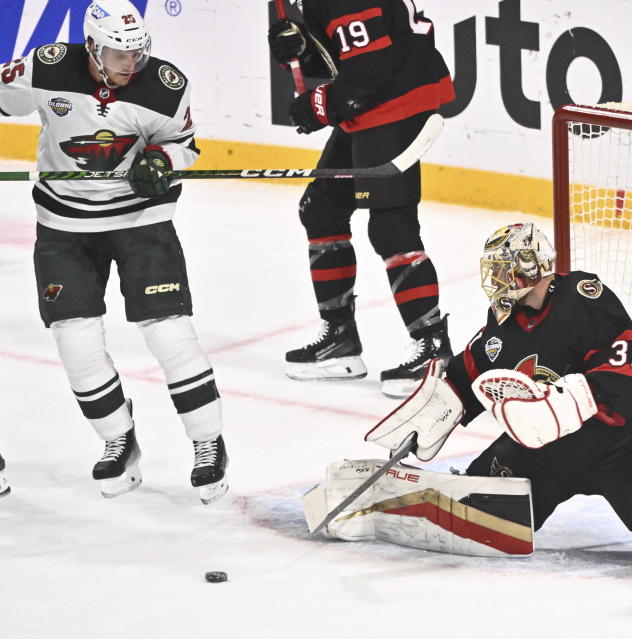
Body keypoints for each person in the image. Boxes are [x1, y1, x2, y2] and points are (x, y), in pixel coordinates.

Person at [0, 0, 228, 503]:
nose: (130, 64)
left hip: (140, 219)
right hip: (63, 221)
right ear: (91, 48)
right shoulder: (45, 65)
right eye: (117, 54)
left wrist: (161, 159)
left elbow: (185, 144)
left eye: (136, 53)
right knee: (75, 340)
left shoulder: (165, 84)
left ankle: (209, 442)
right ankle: (118, 442)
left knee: (168, 334)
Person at [368, 222, 632, 538]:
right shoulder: (503, 324)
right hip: (548, 450)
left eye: (500, 269)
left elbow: (630, 372)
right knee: (475, 508)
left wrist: (570, 401)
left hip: (626, 439)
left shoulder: (583, 298)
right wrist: (432, 412)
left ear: (528, 267)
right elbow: (468, 371)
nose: (493, 279)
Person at [267, 0, 456, 398]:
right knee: (321, 209)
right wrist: (301, 51)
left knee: (391, 225)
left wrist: (318, 106)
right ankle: (339, 339)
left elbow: (370, 67)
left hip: (394, 102)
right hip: (372, 103)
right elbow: (346, 58)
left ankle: (433, 348)